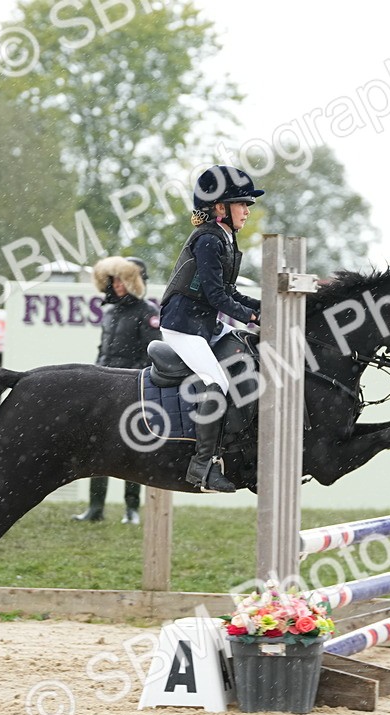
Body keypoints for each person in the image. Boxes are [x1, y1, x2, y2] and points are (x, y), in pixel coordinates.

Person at [159, 165, 262, 493]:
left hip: (203, 324)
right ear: (220, 207)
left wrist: (263, 308)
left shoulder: (225, 238)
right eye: (241, 204)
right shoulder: (208, 239)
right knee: (216, 381)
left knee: (246, 352)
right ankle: (201, 466)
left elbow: (229, 291)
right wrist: (251, 316)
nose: (247, 210)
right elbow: (217, 296)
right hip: (182, 327)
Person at [73, 256, 161, 523]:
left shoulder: (147, 312)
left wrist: (130, 377)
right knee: (95, 446)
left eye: (122, 278)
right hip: (103, 386)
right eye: (113, 278)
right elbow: (103, 350)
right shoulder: (109, 311)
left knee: (132, 448)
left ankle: (131, 509)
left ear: (134, 281)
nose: (117, 284)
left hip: (130, 387)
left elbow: (153, 352)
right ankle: (95, 508)